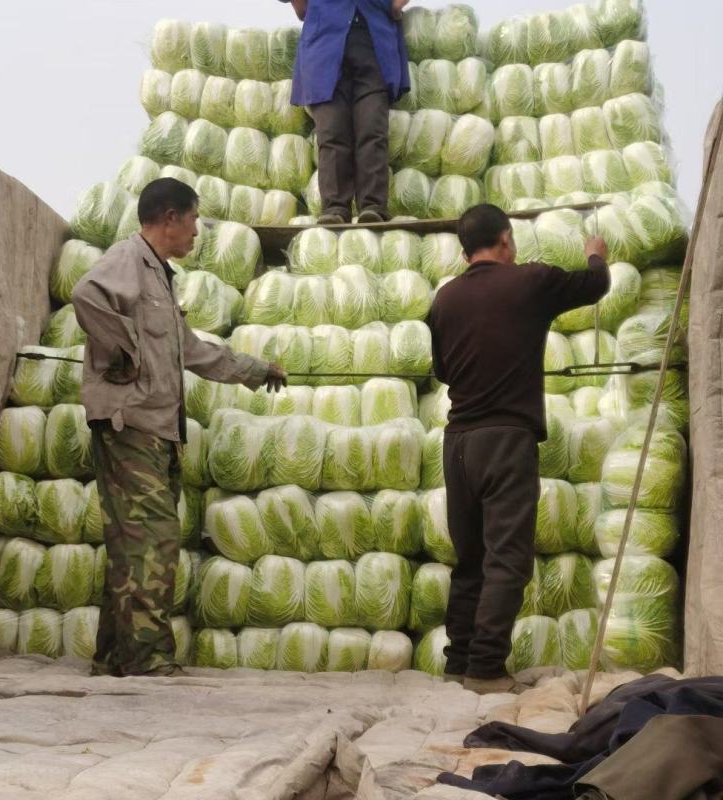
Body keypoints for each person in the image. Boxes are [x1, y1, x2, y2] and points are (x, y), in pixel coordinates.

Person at [72, 178, 287, 677]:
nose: (196, 231)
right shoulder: (129, 260)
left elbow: (191, 350)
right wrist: (124, 349)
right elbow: (86, 296)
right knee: (154, 539)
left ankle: (114, 656)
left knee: (135, 542)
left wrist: (256, 370)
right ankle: (147, 659)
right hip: (131, 426)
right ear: (169, 217)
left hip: (157, 429)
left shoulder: (160, 277)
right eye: (193, 219)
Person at [426, 204, 610, 695]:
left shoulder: (443, 300)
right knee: (507, 559)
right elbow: (595, 287)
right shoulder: (531, 281)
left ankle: (459, 661)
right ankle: (486, 668)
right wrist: (595, 256)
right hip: (506, 440)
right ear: (505, 240)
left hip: (458, 443)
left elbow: (443, 371)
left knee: (470, 559)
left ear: (464, 249)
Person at [280, 0, 411, 225]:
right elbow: (301, 10)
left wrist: (394, 4)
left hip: (373, 39)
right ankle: (335, 207)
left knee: (372, 128)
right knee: (332, 131)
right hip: (325, 43)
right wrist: (305, 8)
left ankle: (372, 206)